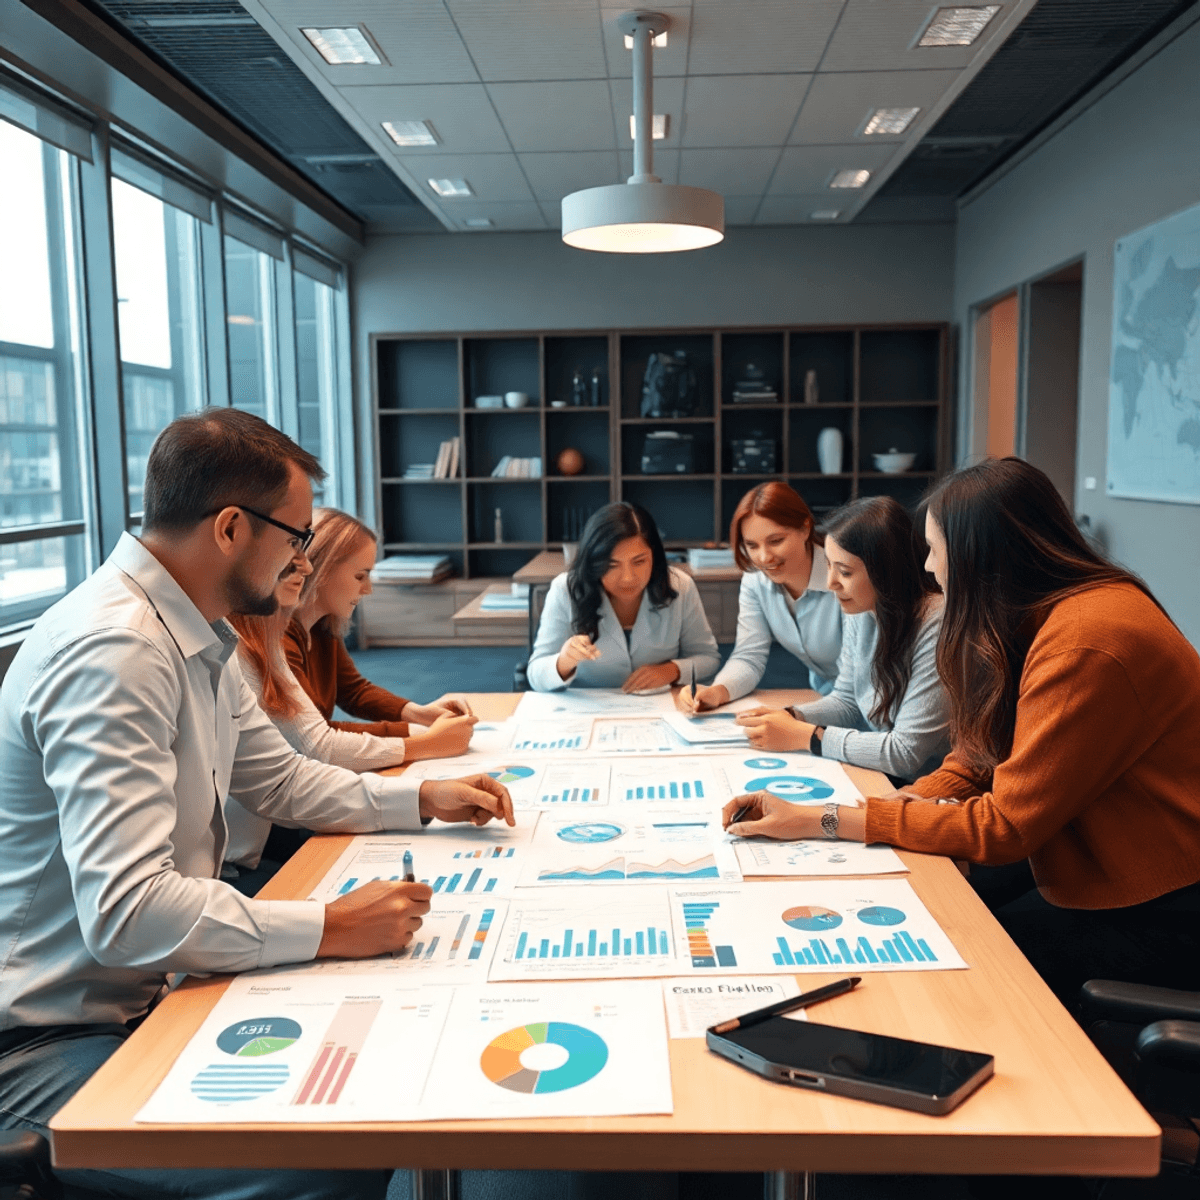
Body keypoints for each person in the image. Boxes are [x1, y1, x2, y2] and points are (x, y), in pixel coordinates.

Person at [0, 408, 513, 1200]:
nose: (303, 556)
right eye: (297, 535)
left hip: (135, 995)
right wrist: (332, 926)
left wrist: (425, 797)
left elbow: (281, 781)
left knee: (364, 1077)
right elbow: (127, 911)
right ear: (233, 528)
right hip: (42, 1043)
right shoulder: (119, 651)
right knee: (326, 1155)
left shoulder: (191, 633)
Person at [723, 458, 1200, 1007]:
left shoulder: (1086, 641)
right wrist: (903, 802)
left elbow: (1003, 829)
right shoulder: (1037, 614)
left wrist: (830, 820)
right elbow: (977, 753)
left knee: (963, 956)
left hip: (1156, 897)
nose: (927, 567)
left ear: (980, 554)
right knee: (928, 895)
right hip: (1078, 849)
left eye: (933, 549)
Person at [734, 496, 950, 783]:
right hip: (883, 773)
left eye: (845, 571)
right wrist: (790, 716)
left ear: (885, 571)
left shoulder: (935, 623)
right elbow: (847, 700)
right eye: (830, 566)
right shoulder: (861, 606)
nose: (830, 583)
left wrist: (808, 736)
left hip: (930, 784)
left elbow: (905, 752)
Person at [284, 508, 474, 743]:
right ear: (322, 569)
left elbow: (353, 692)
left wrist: (420, 714)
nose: (368, 589)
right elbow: (315, 737)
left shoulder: (323, 624)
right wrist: (418, 736)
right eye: (360, 577)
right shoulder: (280, 640)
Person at [679, 481, 842, 714]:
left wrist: (793, 717)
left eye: (776, 541)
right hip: (824, 700)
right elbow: (749, 656)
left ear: (805, 528)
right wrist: (717, 692)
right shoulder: (756, 580)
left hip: (876, 706)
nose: (764, 557)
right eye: (751, 545)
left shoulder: (843, 575)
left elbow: (859, 680)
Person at [526, 502, 720, 692]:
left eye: (639, 561)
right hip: (586, 712)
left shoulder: (680, 586)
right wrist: (564, 661)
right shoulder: (565, 589)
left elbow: (709, 659)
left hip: (656, 708)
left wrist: (673, 670)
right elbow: (535, 674)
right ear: (594, 562)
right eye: (612, 565)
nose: (628, 578)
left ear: (655, 555)